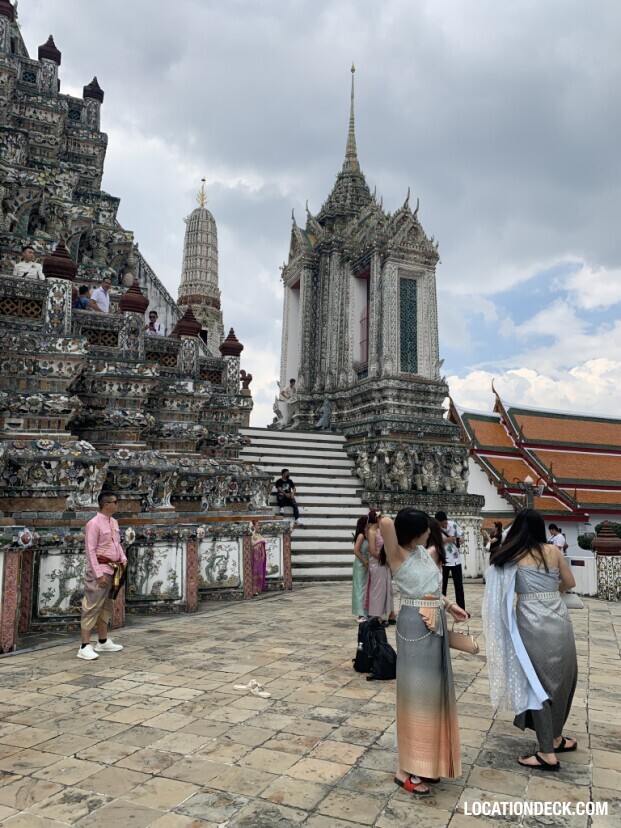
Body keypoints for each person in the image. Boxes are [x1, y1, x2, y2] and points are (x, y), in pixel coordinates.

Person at [380, 510, 468, 796]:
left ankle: (426, 761)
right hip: (414, 624)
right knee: (416, 694)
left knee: (433, 694)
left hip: (435, 621)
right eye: (425, 528)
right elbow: (385, 522)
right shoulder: (397, 555)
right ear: (412, 531)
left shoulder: (422, 553)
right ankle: (405, 769)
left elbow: (430, 589)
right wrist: (386, 515)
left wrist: (449, 605)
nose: (430, 532)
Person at [483, 508, 578, 771]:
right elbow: (570, 582)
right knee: (561, 679)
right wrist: (553, 589)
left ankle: (547, 752)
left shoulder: (512, 555)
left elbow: (497, 587)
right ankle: (555, 737)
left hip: (531, 622)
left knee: (537, 683)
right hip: (559, 618)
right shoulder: (554, 551)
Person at [78, 491, 127, 661]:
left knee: (107, 605)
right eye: (115, 502)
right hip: (100, 569)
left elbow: (117, 543)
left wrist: (123, 558)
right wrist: (98, 574)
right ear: (106, 505)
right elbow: (90, 550)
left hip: (114, 569)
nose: (117, 505)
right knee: (91, 606)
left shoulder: (113, 522)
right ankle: (84, 645)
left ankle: (103, 640)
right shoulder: (93, 524)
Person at [366, 510, 395, 625]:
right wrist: (385, 559)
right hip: (377, 563)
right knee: (377, 590)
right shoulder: (371, 532)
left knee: (386, 589)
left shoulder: (379, 531)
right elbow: (373, 551)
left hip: (383, 563)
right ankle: (376, 615)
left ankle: (388, 613)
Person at [435, 510, 467, 613]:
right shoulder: (436, 529)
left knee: (459, 586)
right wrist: (446, 540)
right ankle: (440, 610)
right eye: (441, 524)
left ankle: (462, 609)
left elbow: (462, 536)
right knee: (442, 586)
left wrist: (460, 540)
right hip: (444, 561)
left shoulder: (453, 525)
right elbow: (434, 542)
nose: (443, 525)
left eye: (444, 523)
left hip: (456, 560)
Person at [352, 515, 370, 622]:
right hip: (360, 564)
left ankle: (365, 612)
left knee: (365, 587)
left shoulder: (367, 535)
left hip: (365, 562)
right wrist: (365, 561)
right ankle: (360, 613)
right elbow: (355, 550)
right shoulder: (361, 536)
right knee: (360, 588)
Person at [251, 520, 267, 595]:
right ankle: (253, 590)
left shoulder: (259, 535)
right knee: (254, 572)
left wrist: (263, 554)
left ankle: (258, 589)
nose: (259, 527)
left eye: (259, 525)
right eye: (257, 525)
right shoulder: (251, 535)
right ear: (253, 526)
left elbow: (262, 545)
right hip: (254, 556)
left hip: (259, 556)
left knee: (259, 572)